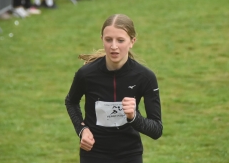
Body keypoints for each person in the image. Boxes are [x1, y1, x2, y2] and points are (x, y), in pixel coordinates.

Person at [65, 14, 163, 163]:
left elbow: (156, 130)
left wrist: (134, 117)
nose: (114, 46)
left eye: (120, 40)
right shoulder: (86, 74)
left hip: (129, 154)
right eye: (108, 39)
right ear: (102, 39)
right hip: (93, 153)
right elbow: (71, 102)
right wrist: (82, 130)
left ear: (132, 41)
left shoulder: (145, 77)